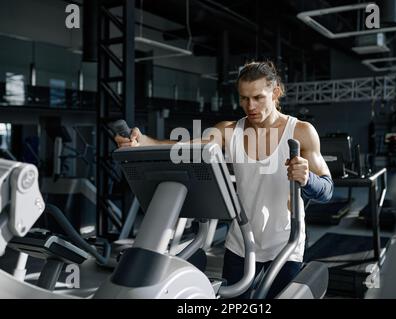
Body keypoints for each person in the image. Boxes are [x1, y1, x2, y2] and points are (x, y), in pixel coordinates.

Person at [115, 61, 333, 298]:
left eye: (258, 97)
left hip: (286, 245)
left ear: (276, 92)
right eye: (244, 98)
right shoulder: (230, 131)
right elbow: (184, 148)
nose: (250, 106)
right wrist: (143, 141)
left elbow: (327, 190)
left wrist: (308, 179)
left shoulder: (300, 132)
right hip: (242, 243)